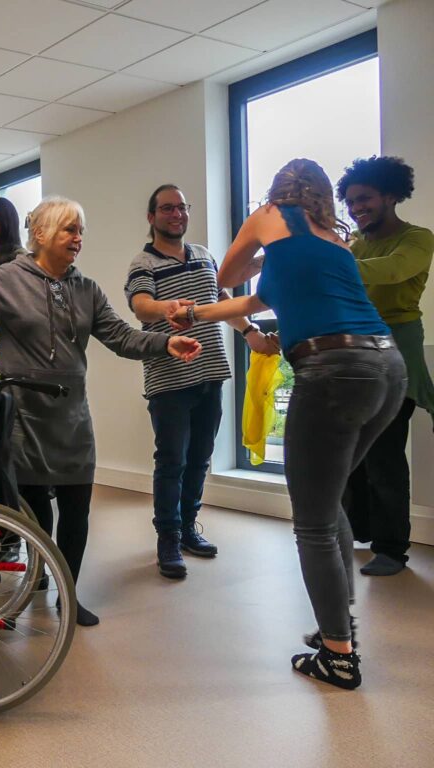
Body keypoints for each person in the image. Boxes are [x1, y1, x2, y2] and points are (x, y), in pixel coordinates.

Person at [166, 158, 406, 689]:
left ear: (278, 191)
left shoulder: (270, 214)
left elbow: (225, 276)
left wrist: (251, 256)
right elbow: (256, 299)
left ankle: (338, 655)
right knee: (331, 498)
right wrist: (194, 315)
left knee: (312, 521)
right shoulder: (331, 241)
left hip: (333, 370)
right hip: (387, 368)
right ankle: (337, 625)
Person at [0, 196, 203, 627]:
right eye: (69, 230)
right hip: (24, 419)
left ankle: (68, 593)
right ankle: (35, 579)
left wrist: (165, 342)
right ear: (42, 234)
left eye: (80, 231)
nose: (78, 238)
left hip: (72, 418)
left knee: (76, 508)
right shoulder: (3, 281)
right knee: (35, 512)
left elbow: (122, 337)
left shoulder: (86, 289)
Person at [126, 184, 279, 579]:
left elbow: (222, 300)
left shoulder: (204, 255)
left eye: (181, 207)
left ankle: (189, 528)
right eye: (166, 208)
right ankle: (168, 539)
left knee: (200, 458)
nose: (176, 214)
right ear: (151, 217)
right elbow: (142, 308)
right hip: (169, 379)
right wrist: (170, 308)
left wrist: (251, 334)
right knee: (171, 461)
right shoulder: (143, 263)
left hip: (211, 372)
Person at [336, 156, 434, 576]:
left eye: (365, 199)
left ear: (392, 195)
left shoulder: (417, 238)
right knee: (349, 455)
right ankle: (358, 531)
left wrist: (330, 262)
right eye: (352, 202)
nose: (357, 208)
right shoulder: (355, 244)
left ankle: (392, 548)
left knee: (385, 456)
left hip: (396, 352)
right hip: (356, 354)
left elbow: (392, 271)